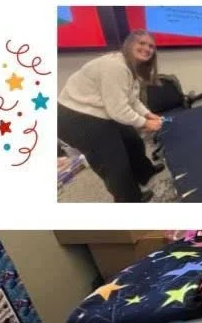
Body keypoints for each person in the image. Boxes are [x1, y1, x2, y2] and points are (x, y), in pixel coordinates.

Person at [57, 30, 165, 203]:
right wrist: (146, 123)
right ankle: (129, 200)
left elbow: (131, 100)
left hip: (99, 111)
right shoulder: (116, 66)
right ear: (129, 44)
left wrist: (148, 114)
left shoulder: (130, 67)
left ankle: (144, 173)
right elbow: (119, 110)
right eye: (142, 43)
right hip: (76, 116)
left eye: (151, 46)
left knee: (133, 140)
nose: (147, 49)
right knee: (114, 162)